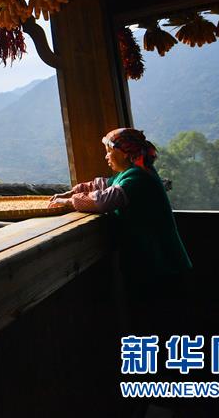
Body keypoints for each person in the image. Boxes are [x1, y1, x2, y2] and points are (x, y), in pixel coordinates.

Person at [48, 128, 192, 307]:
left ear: (124, 153)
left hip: (161, 263)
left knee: (160, 314)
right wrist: (72, 191)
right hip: (150, 263)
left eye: (109, 151)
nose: (106, 157)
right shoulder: (129, 174)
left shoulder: (139, 176)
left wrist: (69, 202)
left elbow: (104, 200)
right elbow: (100, 184)